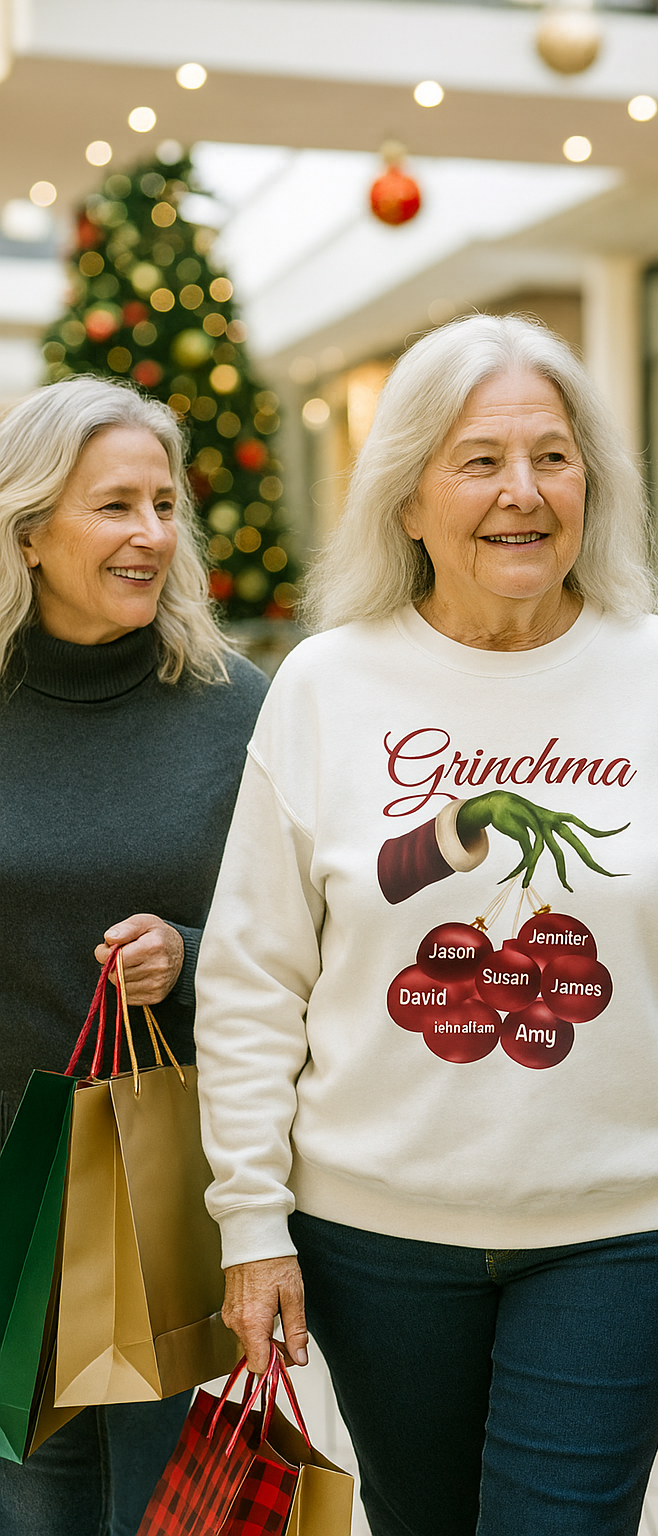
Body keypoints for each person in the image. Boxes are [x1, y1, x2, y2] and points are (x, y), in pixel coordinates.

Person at [195, 314, 658, 1536]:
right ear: (408, 500)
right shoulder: (326, 686)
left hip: (621, 1232)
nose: (522, 492)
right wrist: (251, 1221)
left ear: (593, 484)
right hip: (372, 1230)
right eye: (478, 460)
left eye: (553, 457)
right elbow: (255, 975)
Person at [0, 375, 268, 1535]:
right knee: (34, 1505)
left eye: (164, 505)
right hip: (11, 1196)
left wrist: (189, 954)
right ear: (28, 532)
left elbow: (306, 931)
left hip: (174, 1188)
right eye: (115, 506)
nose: (152, 533)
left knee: (165, 1512)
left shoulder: (234, 706)